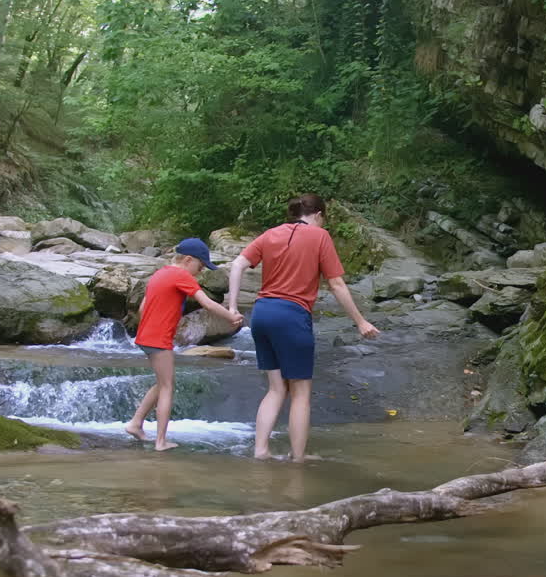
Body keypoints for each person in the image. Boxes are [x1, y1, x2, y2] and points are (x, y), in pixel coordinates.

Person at [227, 193, 380, 462]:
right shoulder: (320, 237)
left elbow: (238, 264)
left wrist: (232, 306)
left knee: (276, 388)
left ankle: (260, 450)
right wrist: (360, 321)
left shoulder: (270, 234)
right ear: (318, 215)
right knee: (300, 392)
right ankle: (298, 458)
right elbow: (336, 284)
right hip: (291, 315)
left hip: (261, 314)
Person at [126, 237, 243, 450]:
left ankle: (136, 423)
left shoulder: (160, 273)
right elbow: (207, 303)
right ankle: (161, 441)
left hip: (146, 336)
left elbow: (143, 308)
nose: (200, 271)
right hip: (158, 339)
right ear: (188, 259)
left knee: (162, 383)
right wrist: (231, 317)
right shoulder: (181, 275)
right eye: (200, 266)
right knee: (168, 387)